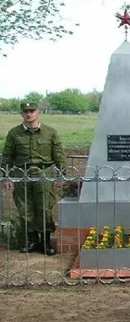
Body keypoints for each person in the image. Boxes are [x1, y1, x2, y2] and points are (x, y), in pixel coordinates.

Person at [1, 101, 66, 255]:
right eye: (25, 111)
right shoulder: (14, 133)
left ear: (39, 112)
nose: (29, 114)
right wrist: (6, 177)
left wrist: (61, 176)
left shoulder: (50, 132)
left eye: (32, 111)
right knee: (25, 208)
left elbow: (59, 156)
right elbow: (7, 157)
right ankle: (31, 241)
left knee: (44, 207)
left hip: (44, 173)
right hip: (21, 174)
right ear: (21, 114)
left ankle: (45, 241)